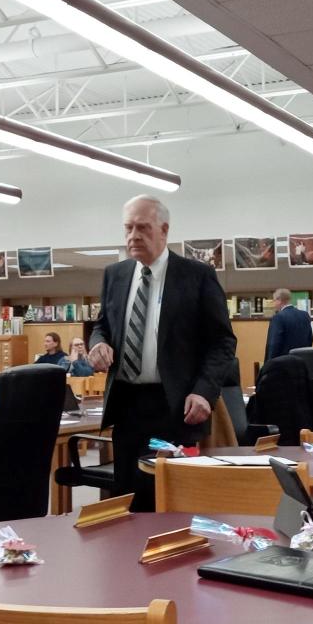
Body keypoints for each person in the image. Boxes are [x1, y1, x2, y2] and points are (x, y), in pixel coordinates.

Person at [88, 194, 236, 511]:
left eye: (142, 228)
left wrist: (204, 392)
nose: (133, 236)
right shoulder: (114, 275)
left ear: (164, 230)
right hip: (127, 404)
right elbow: (103, 324)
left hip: (175, 406)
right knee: (128, 500)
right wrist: (97, 343)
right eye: (128, 228)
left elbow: (223, 342)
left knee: (172, 501)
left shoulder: (196, 276)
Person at [264, 288, 313, 361]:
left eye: (274, 301)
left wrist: (269, 364)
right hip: (302, 363)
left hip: (283, 364)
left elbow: (274, 344)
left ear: (279, 300)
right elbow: (310, 339)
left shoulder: (278, 317)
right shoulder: (305, 315)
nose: (274, 304)